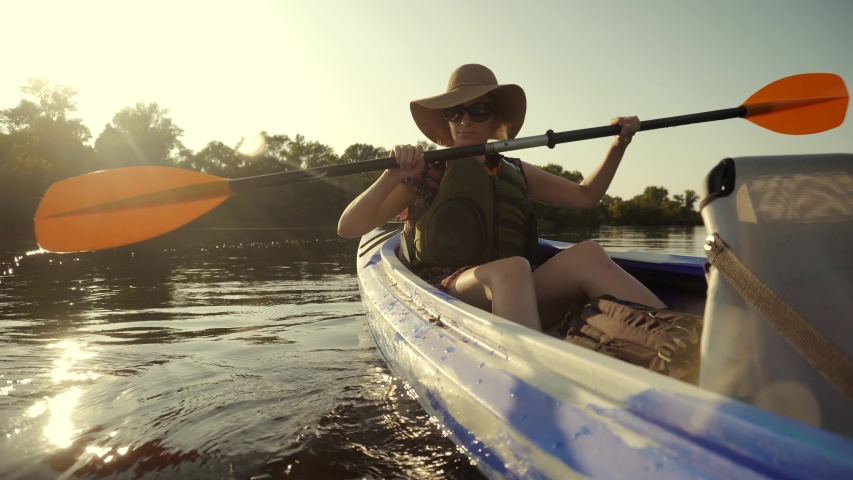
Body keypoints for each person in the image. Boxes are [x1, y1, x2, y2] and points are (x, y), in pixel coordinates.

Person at [338, 64, 665, 332]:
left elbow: (586, 196)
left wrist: (618, 146)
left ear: (495, 120)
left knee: (589, 254)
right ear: (447, 118)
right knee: (511, 269)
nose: (465, 121)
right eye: (455, 111)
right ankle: (534, 374)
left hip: (515, 287)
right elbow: (350, 228)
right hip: (446, 291)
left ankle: (673, 333)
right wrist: (392, 173)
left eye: (479, 111)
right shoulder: (428, 171)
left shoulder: (514, 170)